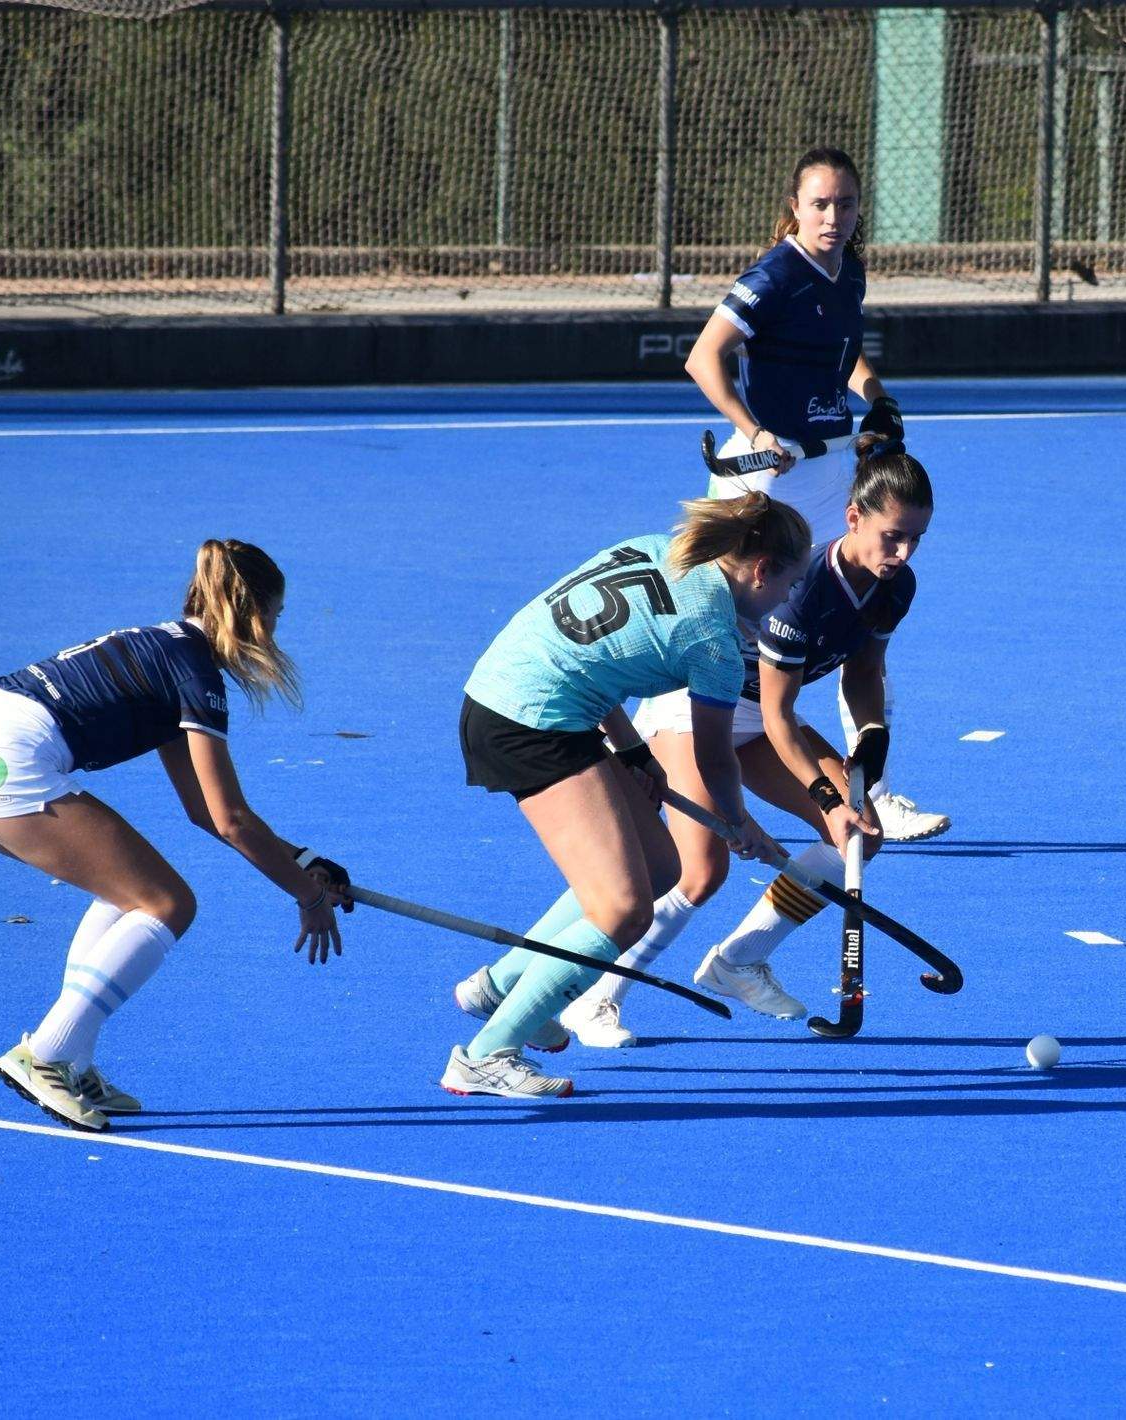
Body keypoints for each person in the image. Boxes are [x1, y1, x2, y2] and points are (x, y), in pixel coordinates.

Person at [0, 540, 349, 1133]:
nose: (276, 630)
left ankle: (73, 1058)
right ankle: (46, 1053)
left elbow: (204, 811)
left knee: (127, 895)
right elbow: (230, 819)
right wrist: (307, 896)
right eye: (276, 615)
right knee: (168, 903)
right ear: (252, 613)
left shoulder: (165, 650)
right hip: (2, 763)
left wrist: (302, 861)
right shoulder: (195, 671)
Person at [560, 439, 933, 1045]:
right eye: (893, 536)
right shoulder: (803, 591)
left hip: (755, 713)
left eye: (916, 538)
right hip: (695, 707)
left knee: (860, 837)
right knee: (699, 873)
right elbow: (782, 716)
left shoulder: (897, 585)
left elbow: (864, 670)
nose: (904, 552)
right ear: (853, 518)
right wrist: (826, 792)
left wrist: (872, 734)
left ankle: (738, 961)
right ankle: (597, 995)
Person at [445, 493, 810, 1098]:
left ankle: (502, 985)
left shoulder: (657, 549)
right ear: (761, 569)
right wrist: (740, 825)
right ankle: (485, 1055)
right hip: (531, 722)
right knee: (623, 910)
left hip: (507, 689)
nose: (786, 600)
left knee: (662, 868)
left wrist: (636, 754)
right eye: (789, 584)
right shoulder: (713, 641)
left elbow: (596, 661)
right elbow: (714, 757)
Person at [682, 143, 948, 843]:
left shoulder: (847, 272)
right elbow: (703, 357)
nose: (834, 216)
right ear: (795, 208)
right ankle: (683, 752)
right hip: (768, 476)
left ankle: (873, 792)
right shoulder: (773, 277)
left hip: (830, 469)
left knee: (859, 606)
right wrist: (753, 429)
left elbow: (844, 350)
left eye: (846, 204)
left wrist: (876, 396)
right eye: (821, 204)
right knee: (733, 622)